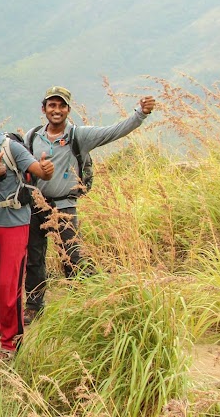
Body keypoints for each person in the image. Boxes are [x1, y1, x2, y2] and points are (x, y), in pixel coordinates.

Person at [22, 87, 156, 324]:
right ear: (44, 109)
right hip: (35, 207)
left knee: (72, 258)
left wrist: (140, 114)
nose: (56, 110)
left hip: (64, 208)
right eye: (52, 105)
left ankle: (80, 305)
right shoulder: (33, 136)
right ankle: (34, 306)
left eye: (61, 106)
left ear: (68, 110)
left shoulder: (79, 136)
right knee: (34, 258)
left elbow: (114, 131)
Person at [0, 103, 53, 360]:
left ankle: (12, 340)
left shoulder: (10, 147)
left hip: (14, 222)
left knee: (8, 284)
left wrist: (46, 170)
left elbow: (38, 171)